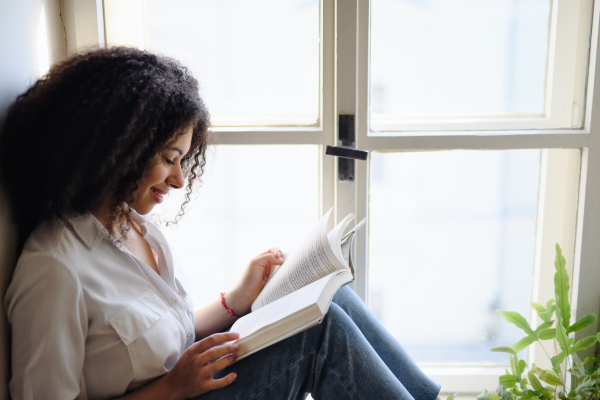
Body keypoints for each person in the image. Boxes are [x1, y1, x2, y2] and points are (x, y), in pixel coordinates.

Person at [0, 47, 441, 400]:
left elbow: (161, 338)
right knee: (320, 333)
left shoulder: (132, 225)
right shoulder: (54, 270)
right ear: (117, 148)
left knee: (328, 295)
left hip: (189, 387)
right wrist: (171, 389)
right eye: (169, 159)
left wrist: (236, 300)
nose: (178, 179)